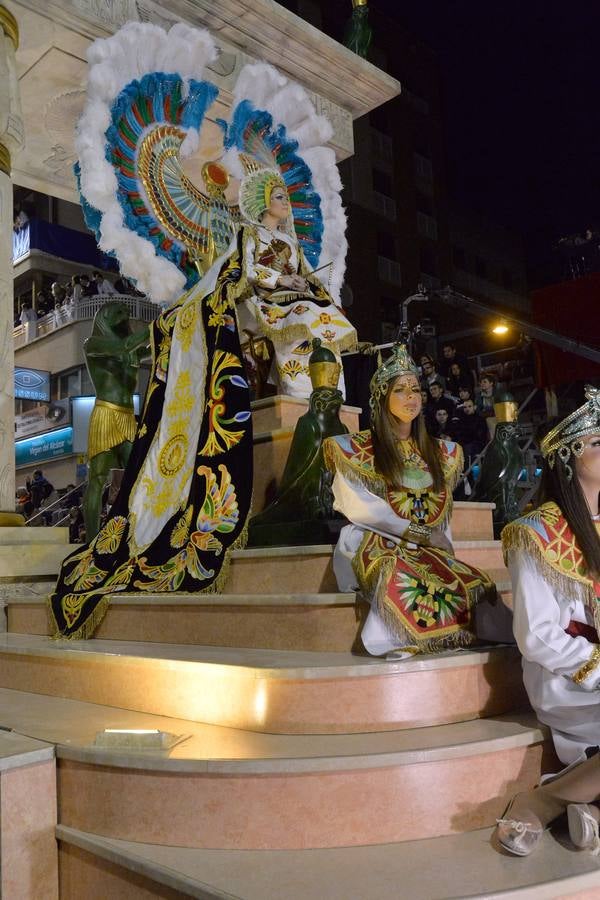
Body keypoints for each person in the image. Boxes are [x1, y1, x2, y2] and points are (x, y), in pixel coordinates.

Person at [323, 343, 494, 657]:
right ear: (382, 397)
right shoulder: (356, 449)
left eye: (415, 389)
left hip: (428, 543)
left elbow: (440, 510)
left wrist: (440, 540)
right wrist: (418, 533)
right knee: (397, 570)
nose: (411, 397)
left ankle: (454, 634)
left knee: (472, 580)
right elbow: (359, 506)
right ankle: (398, 637)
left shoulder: (441, 452)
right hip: (378, 537)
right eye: (400, 390)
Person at [496, 387, 600, 855]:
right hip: (570, 679)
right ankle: (540, 802)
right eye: (597, 441)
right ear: (568, 458)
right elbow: (536, 635)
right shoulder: (534, 533)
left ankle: (583, 805)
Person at [235, 172, 356, 398]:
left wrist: (302, 283)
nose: (286, 203)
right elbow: (244, 268)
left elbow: (308, 275)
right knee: (300, 317)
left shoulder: (291, 240)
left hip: (294, 298)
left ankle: (332, 389)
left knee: (327, 319)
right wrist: (280, 279)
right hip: (263, 300)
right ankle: (299, 391)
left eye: (287, 198)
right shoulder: (250, 233)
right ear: (264, 201)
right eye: (280, 197)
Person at [451, 397, 489, 463]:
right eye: (465, 407)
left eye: (469, 406)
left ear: (474, 407)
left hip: (475, 444)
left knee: (467, 448)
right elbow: (457, 433)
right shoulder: (461, 419)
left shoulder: (480, 419)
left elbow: (479, 436)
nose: (467, 409)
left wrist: (465, 433)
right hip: (463, 443)